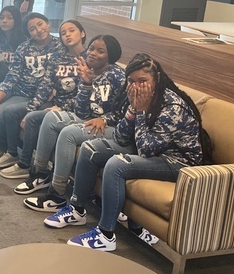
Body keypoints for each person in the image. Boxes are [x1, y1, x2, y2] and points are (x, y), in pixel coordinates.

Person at [46, 53, 206, 251]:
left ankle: (106, 235)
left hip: (178, 162)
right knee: (90, 148)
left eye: (142, 81)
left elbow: (145, 149)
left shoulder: (172, 106)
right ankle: (77, 210)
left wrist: (140, 111)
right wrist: (132, 111)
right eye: (131, 81)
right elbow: (120, 138)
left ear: (157, 80)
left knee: (116, 164)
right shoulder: (140, 99)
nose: (136, 87)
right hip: (155, 153)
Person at [16, 35, 125, 206]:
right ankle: (40, 174)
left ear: (110, 55)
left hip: (111, 126)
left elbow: (126, 111)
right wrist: (86, 83)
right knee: (50, 118)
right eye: (91, 49)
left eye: (100, 51)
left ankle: (57, 194)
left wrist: (105, 118)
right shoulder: (88, 71)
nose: (93, 53)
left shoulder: (118, 77)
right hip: (89, 118)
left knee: (69, 134)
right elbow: (81, 111)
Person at [0, 20, 89, 178]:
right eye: (63, 33)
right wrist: (30, 108)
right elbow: (45, 85)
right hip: (54, 104)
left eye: (72, 30)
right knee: (15, 112)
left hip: (76, 109)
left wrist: (63, 108)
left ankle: (26, 164)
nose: (67, 35)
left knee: (32, 119)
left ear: (82, 33)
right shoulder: (57, 58)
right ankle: (13, 154)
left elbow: (88, 92)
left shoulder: (90, 59)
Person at [0, 12, 61, 162]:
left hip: (34, 94)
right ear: (29, 33)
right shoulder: (24, 47)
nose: (38, 30)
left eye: (40, 24)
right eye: (32, 29)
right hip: (14, 86)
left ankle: (3, 146)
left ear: (48, 24)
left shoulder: (59, 47)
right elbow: (13, 74)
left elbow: (58, 76)